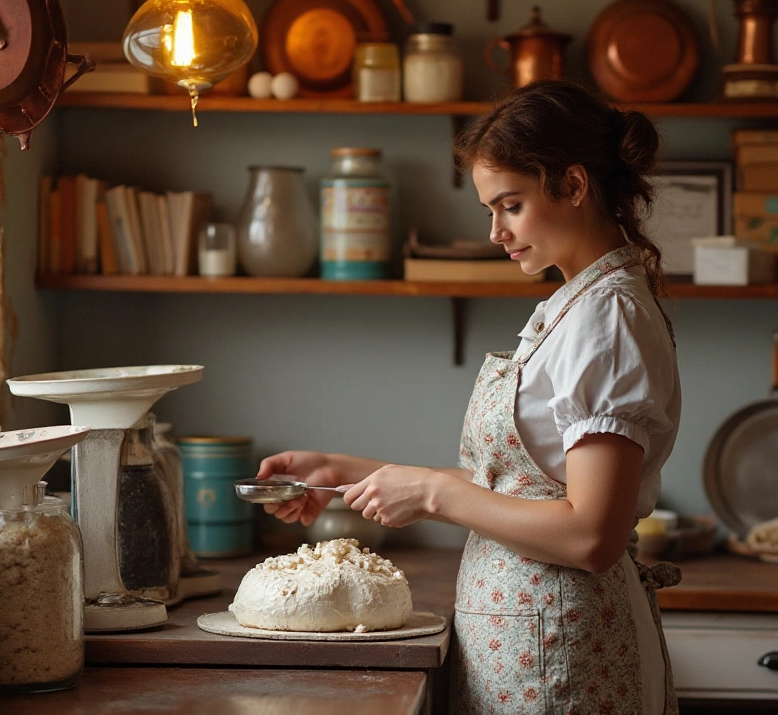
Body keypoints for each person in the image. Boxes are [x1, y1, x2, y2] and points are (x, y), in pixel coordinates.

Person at [257, 79, 683, 715]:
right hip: (530, 640)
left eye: (510, 205)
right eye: (491, 210)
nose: (495, 232)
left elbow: (592, 533)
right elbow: (521, 488)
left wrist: (433, 494)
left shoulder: (607, 318)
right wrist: (347, 475)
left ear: (572, 184)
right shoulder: (577, 307)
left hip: (560, 657)